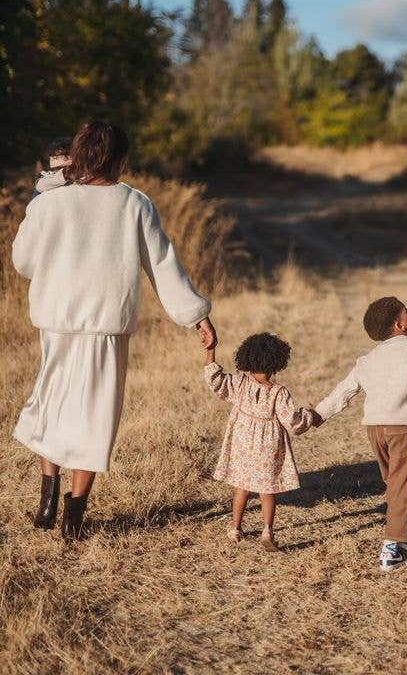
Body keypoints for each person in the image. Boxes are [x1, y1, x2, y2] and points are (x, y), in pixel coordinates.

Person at [12, 120, 216, 539]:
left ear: (78, 156)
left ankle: (47, 501)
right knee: (95, 417)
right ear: (121, 160)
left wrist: (42, 201)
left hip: (58, 323)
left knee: (49, 406)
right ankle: (73, 518)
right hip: (106, 328)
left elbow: (23, 262)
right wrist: (196, 314)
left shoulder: (49, 203)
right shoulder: (134, 203)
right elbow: (162, 265)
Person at [315, 296, 407, 572]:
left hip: (375, 430)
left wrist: (320, 413)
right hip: (402, 429)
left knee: (395, 485)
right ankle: (390, 546)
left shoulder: (368, 359)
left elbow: (345, 390)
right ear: (400, 325)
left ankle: (405, 539)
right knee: (401, 485)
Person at [204, 331, 320, 548]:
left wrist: (210, 351)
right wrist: (310, 417)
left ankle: (235, 529)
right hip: (267, 447)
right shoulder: (279, 392)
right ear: (277, 362)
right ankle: (267, 532)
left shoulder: (239, 384)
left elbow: (215, 379)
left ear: (247, 357)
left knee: (242, 488)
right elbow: (293, 422)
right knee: (267, 490)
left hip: (241, 444)